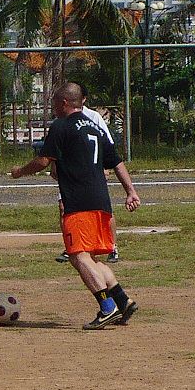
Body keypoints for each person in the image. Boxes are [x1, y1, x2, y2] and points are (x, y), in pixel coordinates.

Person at [11, 83, 140, 330]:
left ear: (63, 103)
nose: (53, 109)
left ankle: (107, 308)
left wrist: (20, 172)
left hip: (79, 202)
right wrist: (131, 191)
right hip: (101, 201)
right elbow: (117, 162)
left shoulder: (61, 126)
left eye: (54, 104)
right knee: (90, 258)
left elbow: (43, 160)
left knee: (78, 255)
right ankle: (123, 301)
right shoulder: (95, 127)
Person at [54, 84, 120, 264]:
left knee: (101, 210)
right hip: (71, 175)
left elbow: (108, 146)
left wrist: (105, 167)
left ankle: (111, 245)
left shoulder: (93, 117)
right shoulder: (62, 121)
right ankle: (72, 244)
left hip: (90, 175)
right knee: (64, 208)